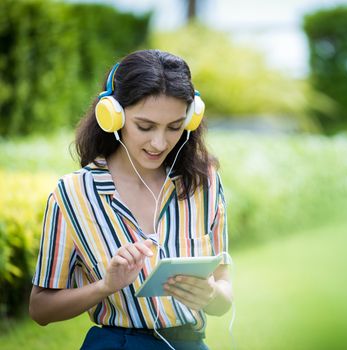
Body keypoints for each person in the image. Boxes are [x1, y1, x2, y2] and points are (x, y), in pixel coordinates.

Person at [29, 49, 233, 350]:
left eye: (174, 127)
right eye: (145, 126)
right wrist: (105, 287)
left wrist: (211, 295)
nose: (159, 142)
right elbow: (40, 309)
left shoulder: (204, 182)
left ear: (190, 120)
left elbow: (223, 293)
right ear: (112, 116)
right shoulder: (72, 194)